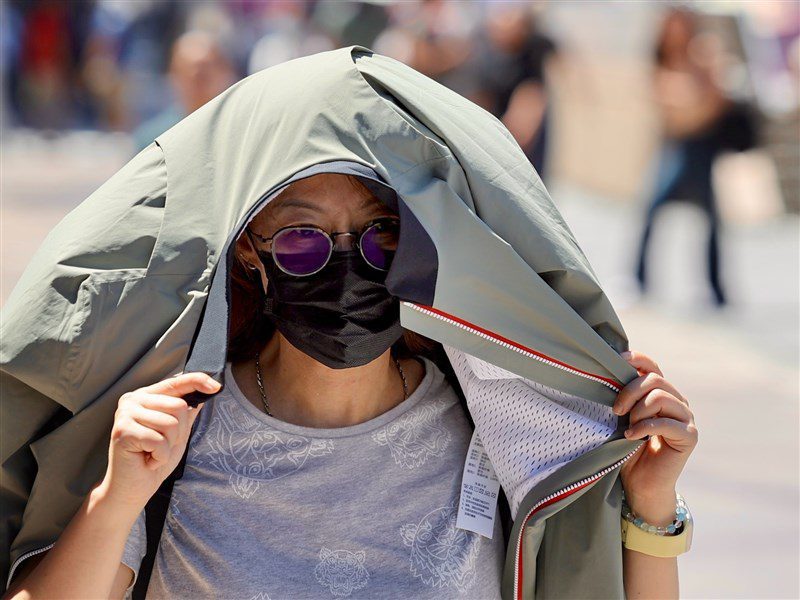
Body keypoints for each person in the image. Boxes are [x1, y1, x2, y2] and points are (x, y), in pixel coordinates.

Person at [2, 47, 698, 599]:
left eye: (381, 238)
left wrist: (651, 501)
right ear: (249, 250)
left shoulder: (500, 427)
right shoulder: (173, 431)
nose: (348, 267)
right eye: (302, 240)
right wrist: (115, 499)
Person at [634, 7, 732, 307]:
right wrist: (687, 103)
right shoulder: (660, 60)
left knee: (711, 221)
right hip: (673, 147)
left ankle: (716, 290)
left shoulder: (702, 57)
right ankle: (639, 281)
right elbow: (662, 105)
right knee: (651, 211)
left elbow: (715, 101)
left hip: (699, 148)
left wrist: (687, 106)